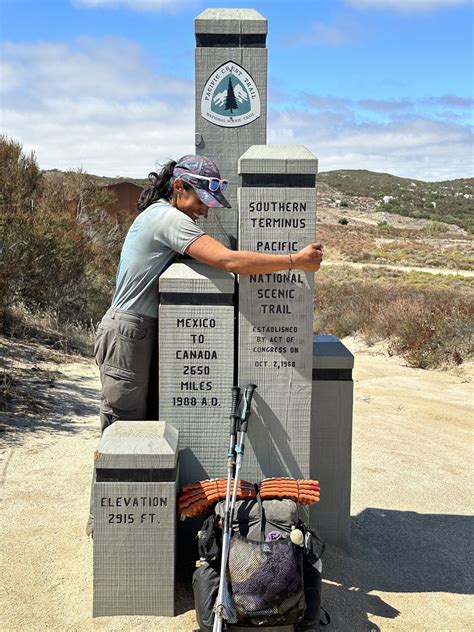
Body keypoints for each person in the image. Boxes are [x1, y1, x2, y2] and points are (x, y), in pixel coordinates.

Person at [86, 155, 322, 535]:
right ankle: (109, 529)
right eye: (201, 202)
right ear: (179, 187)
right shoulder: (169, 219)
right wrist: (295, 260)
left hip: (137, 333)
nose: (204, 213)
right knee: (121, 431)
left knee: (139, 431)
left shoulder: (164, 216)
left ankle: (126, 528)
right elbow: (228, 260)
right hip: (128, 333)